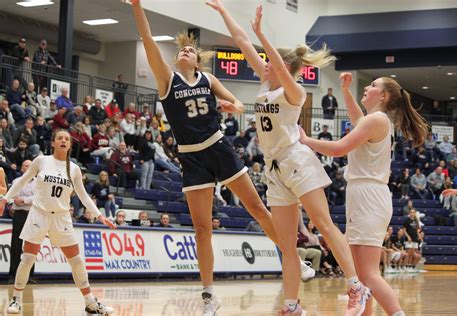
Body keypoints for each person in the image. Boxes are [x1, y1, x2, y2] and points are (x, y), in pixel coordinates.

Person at [208, 2, 370, 315]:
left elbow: (279, 65)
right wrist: (223, 12)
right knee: (286, 243)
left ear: (283, 65)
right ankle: (292, 306)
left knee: (323, 223)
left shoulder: (295, 92)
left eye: (270, 60)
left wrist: (262, 34)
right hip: (274, 169)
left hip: (297, 161)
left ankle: (355, 286)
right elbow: (243, 42)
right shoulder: (266, 82)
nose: (264, 63)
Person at [131, 2, 280, 315]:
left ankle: (292, 257)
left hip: (218, 147)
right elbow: (146, 39)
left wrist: (233, 107)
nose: (185, 51)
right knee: (202, 230)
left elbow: (239, 103)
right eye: (181, 49)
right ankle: (209, 297)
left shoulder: (208, 80)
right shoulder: (167, 80)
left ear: (197, 60)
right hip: (191, 158)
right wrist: (137, 6)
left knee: (256, 207)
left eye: (190, 50)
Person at [300, 68, 427, 313]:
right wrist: (346, 91)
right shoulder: (374, 121)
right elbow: (358, 120)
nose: (367, 88)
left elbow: (339, 149)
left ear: (384, 96)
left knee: (368, 273)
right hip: (365, 195)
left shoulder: (377, 120)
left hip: (369, 196)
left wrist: (307, 141)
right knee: (361, 274)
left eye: (373, 85)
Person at [0, 129, 114, 315]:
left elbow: (83, 196)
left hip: (61, 217)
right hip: (39, 214)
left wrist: (100, 216)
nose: (63, 141)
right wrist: (6, 198)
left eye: (66, 139)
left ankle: (90, 302)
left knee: (76, 260)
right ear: (53, 143)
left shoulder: (75, 169)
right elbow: (21, 181)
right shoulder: (41, 161)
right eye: (59, 138)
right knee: (28, 257)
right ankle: (16, 299)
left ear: (70, 145)